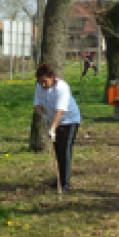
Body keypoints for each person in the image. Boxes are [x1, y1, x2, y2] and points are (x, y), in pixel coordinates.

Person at [33, 63, 82, 193]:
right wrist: (43, 116)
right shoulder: (39, 87)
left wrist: (53, 128)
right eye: (40, 82)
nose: (42, 85)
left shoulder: (62, 87)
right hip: (53, 120)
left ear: (52, 77)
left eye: (45, 81)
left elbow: (60, 111)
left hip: (70, 120)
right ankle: (59, 179)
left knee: (65, 150)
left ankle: (65, 183)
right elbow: (37, 104)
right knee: (57, 150)